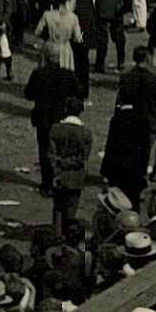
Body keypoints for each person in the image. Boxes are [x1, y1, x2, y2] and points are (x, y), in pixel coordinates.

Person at [100, 47, 156, 202]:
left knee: (127, 150)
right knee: (144, 152)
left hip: (128, 121)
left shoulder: (127, 77)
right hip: (149, 122)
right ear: (148, 59)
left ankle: (124, 176)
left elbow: (120, 100)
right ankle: (139, 178)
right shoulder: (154, 79)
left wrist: (118, 118)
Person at [25, 51, 78, 196]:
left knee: (44, 150)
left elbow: (28, 94)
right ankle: (60, 181)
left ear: (46, 58)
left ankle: (47, 184)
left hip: (43, 117)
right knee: (62, 151)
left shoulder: (38, 73)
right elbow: (78, 92)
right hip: (62, 117)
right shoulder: (68, 74)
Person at [47, 96, 93, 235]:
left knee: (58, 208)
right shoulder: (86, 133)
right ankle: (69, 237)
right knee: (71, 209)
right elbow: (83, 158)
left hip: (59, 175)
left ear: (66, 109)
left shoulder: (55, 129)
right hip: (75, 176)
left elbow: (51, 154)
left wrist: (58, 167)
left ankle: (57, 235)